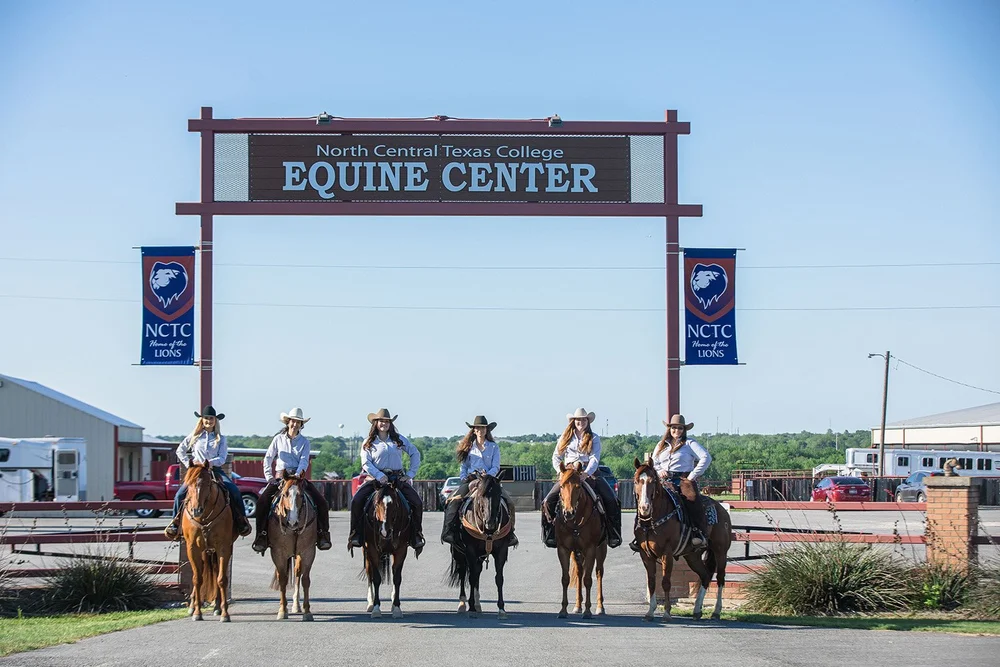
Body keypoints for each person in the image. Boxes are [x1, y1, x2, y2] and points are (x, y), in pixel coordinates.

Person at [251, 407, 332, 553]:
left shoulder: (305, 442)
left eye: (298, 422)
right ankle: (261, 536)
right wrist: (269, 477)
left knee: (321, 502)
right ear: (288, 422)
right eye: (293, 421)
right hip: (281, 477)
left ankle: (322, 534)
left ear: (301, 425)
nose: (295, 424)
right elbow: (268, 458)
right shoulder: (278, 439)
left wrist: (298, 475)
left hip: (298, 477)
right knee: (263, 501)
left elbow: (304, 460)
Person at [164, 406, 252, 540]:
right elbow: (180, 451)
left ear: (215, 420)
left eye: (211, 418)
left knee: (233, 489)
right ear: (202, 420)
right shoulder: (194, 436)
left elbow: (222, 458)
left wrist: (210, 462)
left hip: (214, 470)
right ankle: (175, 523)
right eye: (206, 418)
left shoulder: (221, 438)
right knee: (180, 494)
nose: (209, 421)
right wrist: (189, 464)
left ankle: (241, 520)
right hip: (197, 471)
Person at [540, 408, 622, 549]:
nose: (581, 422)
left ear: (587, 422)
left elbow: (595, 458)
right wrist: (560, 471)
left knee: (611, 499)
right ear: (573, 421)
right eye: (578, 420)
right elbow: (556, 457)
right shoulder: (565, 437)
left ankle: (613, 533)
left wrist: (586, 473)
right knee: (547, 501)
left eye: (584, 420)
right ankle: (550, 534)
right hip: (568, 473)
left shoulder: (593, 437)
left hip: (589, 473)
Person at [630, 413, 712, 552]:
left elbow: (706, 457)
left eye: (680, 428)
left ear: (684, 430)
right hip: (663, 480)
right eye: (674, 428)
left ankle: (697, 533)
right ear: (669, 429)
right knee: (647, 498)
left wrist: (692, 475)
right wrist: (660, 469)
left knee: (691, 499)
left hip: (683, 480)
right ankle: (642, 533)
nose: (676, 431)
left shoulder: (690, 443)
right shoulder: (662, 444)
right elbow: (654, 462)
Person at [347, 408, 425, 552]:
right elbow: (365, 463)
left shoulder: (399, 440)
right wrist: (379, 475)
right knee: (356, 501)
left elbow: (415, 453)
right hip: (375, 480)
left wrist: (410, 474)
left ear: (390, 423)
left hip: (396, 479)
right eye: (381, 421)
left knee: (417, 502)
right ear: (375, 423)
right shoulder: (369, 442)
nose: (384, 423)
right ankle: (356, 534)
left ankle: (416, 535)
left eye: (387, 421)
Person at [441, 415, 518, 548]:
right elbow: (463, 466)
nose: (480, 431)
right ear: (474, 430)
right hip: (472, 479)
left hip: (490, 481)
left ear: (487, 430)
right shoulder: (468, 447)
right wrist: (463, 476)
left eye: (483, 428)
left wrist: (487, 476)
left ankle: (510, 533)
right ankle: (448, 531)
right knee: (454, 500)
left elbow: (496, 466)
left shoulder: (493, 447)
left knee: (509, 502)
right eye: (478, 428)